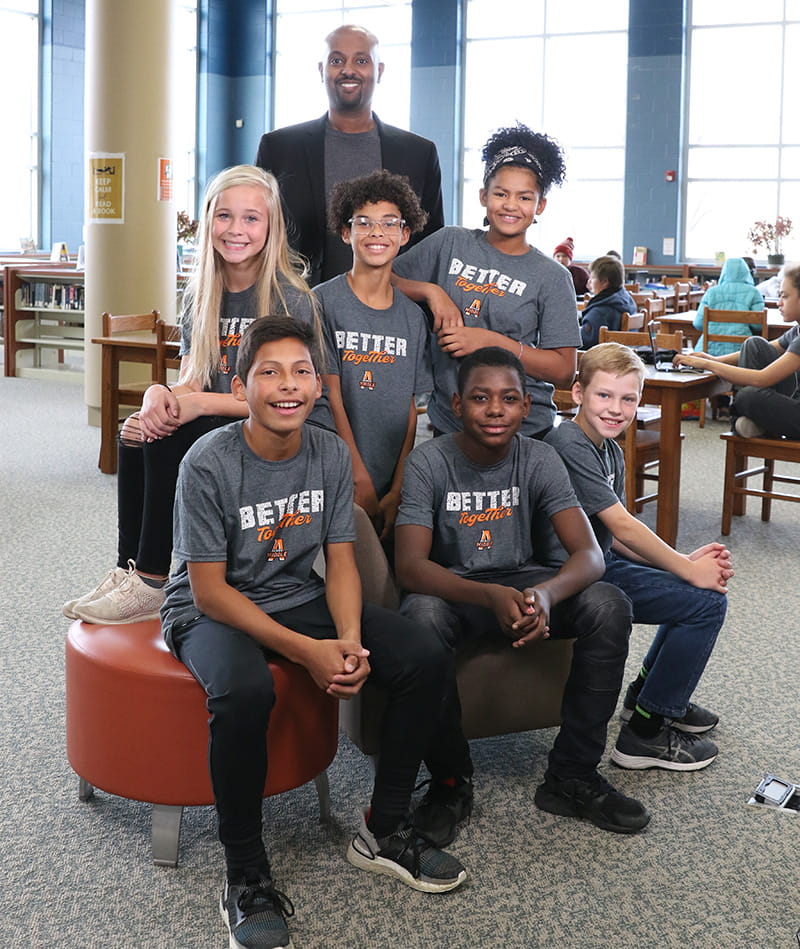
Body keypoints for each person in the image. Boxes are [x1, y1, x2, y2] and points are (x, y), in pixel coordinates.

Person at [161, 317, 466, 949]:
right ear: (241, 385)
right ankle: (244, 874)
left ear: (318, 386)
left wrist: (350, 642)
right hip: (211, 608)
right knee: (245, 692)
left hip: (297, 593)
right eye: (269, 372)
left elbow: (342, 563)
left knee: (424, 654)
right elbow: (211, 590)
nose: (287, 386)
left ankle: (382, 828)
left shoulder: (327, 452)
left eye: (301, 371)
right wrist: (308, 653)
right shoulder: (207, 462)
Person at [395, 346, 650, 846]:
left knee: (609, 603)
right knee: (420, 619)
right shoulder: (429, 461)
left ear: (526, 407)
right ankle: (449, 781)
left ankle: (571, 776)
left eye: (509, 398)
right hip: (458, 589)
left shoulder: (540, 457)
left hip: (526, 581)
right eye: (480, 398)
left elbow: (589, 556)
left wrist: (546, 596)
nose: (495, 410)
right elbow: (410, 567)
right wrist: (489, 595)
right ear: (456, 403)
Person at [63, 165, 331, 625]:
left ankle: (153, 578)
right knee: (137, 429)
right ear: (209, 223)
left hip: (284, 427)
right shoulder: (201, 294)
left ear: (271, 227)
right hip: (224, 418)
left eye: (251, 218)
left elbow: (290, 396)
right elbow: (192, 377)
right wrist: (158, 394)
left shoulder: (292, 300)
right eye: (224, 216)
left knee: (175, 431)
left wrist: (201, 402)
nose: (236, 230)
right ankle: (130, 567)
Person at [543, 343, 731, 771]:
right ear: (577, 394)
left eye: (628, 399)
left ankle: (645, 698)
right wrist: (688, 568)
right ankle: (645, 731)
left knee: (691, 589)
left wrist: (682, 562)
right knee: (706, 603)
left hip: (601, 561)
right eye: (604, 395)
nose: (616, 408)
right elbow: (625, 527)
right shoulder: (568, 444)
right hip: (574, 576)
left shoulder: (610, 450)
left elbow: (615, 534)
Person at [392, 123, 581, 440]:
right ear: (483, 196)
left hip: (523, 431)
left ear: (540, 205)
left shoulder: (552, 276)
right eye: (501, 193)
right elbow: (382, 279)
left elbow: (563, 371)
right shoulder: (450, 242)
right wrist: (431, 291)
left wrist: (490, 341)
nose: (511, 205)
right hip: (451, 422)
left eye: (524, 197)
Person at [254, 24, 444, 285]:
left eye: (361, 60)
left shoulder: (419, 154)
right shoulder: (279, 148)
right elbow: (258, 234)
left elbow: (431, 249)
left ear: (379, 70)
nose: (348, 70)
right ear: (322, 70)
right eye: (336, 60)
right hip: (297, 308)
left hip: (391, 312)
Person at [316, 169, 432, 536]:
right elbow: (330, 395)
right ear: (346, 232)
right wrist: (357, 475)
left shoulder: (413, 318)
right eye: (363, 223)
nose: (377, 233)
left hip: (390, 478)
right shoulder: (321, 302)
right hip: (336, 470)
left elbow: (411, 410)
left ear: (405, 234)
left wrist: (399, 488)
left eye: (389, 223)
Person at [676, 262, 800, 439]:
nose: (779, 302)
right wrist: (714, 359)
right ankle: (750, 421)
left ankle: (742, 422)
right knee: (754, 344)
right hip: (794, 401)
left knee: (747, 395)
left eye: (785, 297)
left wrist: (707, 364)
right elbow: (770, 347)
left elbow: (762, 378)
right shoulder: (797, 330)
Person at [691, 257, 765, 356]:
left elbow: (698, 324)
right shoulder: (754, 292)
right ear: (746, 272)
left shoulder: (711, 292)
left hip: (708, 351)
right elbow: (758, 325)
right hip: (740, 352)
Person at [578, 255, 638, 349]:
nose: (589, 282)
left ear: (605, 282)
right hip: (622, 355)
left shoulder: (600, 311)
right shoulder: (627, 300)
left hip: (600, 359)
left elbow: (585, 343)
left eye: (592, 278)